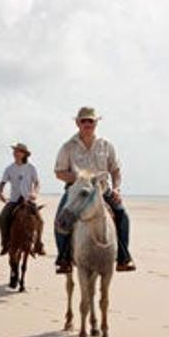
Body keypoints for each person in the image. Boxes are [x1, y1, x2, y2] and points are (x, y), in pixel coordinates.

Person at [53, 107, 135, 274]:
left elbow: (115, 170)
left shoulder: (106, 145)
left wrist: (117, 189)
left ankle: (123, 258)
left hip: (102, 189)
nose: (87, 124)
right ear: (77, 123)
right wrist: (80, 179)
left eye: (91, 121)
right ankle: (64, 258)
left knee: (122, 215)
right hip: (76, 191)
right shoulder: (68, 146)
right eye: (84, 121)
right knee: (60, 218)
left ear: (96, 123)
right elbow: (59, 172)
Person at [0, 142, 45, 256]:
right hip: (14, 200)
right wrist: (0, 193)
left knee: (41, 221)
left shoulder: (31, 168)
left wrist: (35, 193)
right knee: (2, 218)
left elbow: (37, 183)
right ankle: (5, 242)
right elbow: (2, 183)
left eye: (18, 151)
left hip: (28, 200)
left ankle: (38, 244)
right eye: (15, 151)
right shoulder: (9, 168)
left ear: (24, 154)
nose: (15, 153)